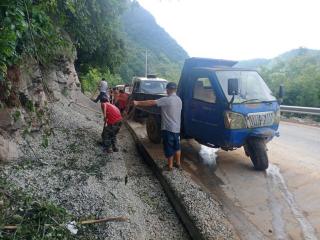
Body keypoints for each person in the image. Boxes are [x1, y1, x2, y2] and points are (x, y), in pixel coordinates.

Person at [134, 82, 182, 171]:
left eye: (167, 89)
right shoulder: (179, 100)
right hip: (177, 128)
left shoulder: (167, 100)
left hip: (168, 128)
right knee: (177, 146)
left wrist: (137, 103)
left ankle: (170, 166)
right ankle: (178, 163)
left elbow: (151, 102)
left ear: (168, 89)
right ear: (175, 90)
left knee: (169, 147)